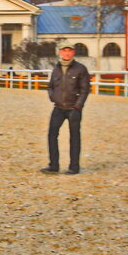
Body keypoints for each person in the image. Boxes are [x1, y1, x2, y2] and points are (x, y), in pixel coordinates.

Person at [42, 44, 91, 174]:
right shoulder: (56, 69)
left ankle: (74, 167)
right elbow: (50, 86)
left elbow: (85, 90)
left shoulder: (80, 69)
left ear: (73, 53)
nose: (67, 53)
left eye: (69, 51)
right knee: (52, 135)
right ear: (60, 52)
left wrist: (78, 106)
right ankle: (53, 165)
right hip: (58, 108)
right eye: (64, 51)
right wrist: (53, 98)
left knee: (74, 137)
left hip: (73, 108)